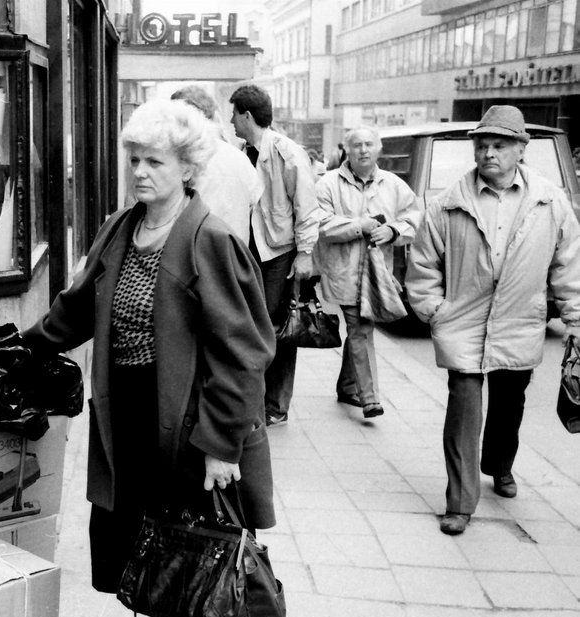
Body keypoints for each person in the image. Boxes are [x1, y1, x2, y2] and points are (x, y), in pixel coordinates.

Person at [22, 99, 276, 617]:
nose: (138, 171)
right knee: (147, 530)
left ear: (186, 168)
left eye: (153, 161)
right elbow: (78, 306)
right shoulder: (121, 226)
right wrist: (20, 346)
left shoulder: (209, 239)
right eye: (133, 159)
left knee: (186, 537)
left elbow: (245, 354)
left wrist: (220, 446)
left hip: (188, 420)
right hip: (131, 411)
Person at [406, 105, 580, 536]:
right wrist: (434, 311)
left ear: (521, 149)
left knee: (509, 405)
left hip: (521, 321)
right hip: (463, 323)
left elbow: (569, 266)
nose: (488, 154)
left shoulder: (549, 200)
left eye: (499, 145)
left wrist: (575, 321)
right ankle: (460, 502)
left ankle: (500, 464)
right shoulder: (449, 204)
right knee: (463, 410)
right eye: (482, 145)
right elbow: (423, 265)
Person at [229, 84, 320, 426]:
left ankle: (275, 406)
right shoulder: (244, 151)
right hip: (253, 249)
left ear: (247, 115)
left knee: (278, 325)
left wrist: (304, 254)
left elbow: (307, 209)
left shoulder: (286, 152)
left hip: (280, 252)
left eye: (234, 114)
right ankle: (257, 399)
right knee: (257, 323)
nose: (231, 120)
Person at [315, 126, 420, 419]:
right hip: (343, 271)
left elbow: (414, 218)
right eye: (357, 145)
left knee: (358, 330)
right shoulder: (328, 184)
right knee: (360, 329)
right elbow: (321, 224)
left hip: (376, 274)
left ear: (378, 149)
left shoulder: (394, 186)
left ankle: (348, 385)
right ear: (346, 150)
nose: (363, 150)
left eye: (369, 144)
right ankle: (370, 397)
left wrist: (393, 230)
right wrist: (358, 225)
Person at [169, 85, 263, 242]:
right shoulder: (239, 158)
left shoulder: (181, 159)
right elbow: (254, 200)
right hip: (234, 254)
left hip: (193, 254)